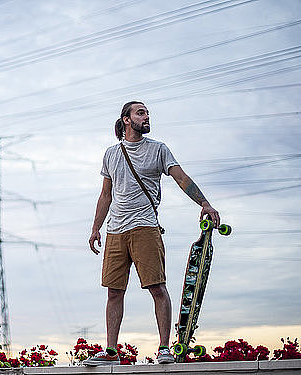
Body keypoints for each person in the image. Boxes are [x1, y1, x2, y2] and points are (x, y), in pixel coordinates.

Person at [85, 101, 220, 365]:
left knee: (157, 287)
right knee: (114, 291)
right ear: (126, 119)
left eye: (147, 113)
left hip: (145, 227)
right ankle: (111, 351)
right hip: (115, 231)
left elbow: (181, 178)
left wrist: (204, 202)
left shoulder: (158, 150)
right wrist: (95, 228)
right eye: (141, 113)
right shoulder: (111, 154)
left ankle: (164, 348)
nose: (146, 117)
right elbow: (105, 194)